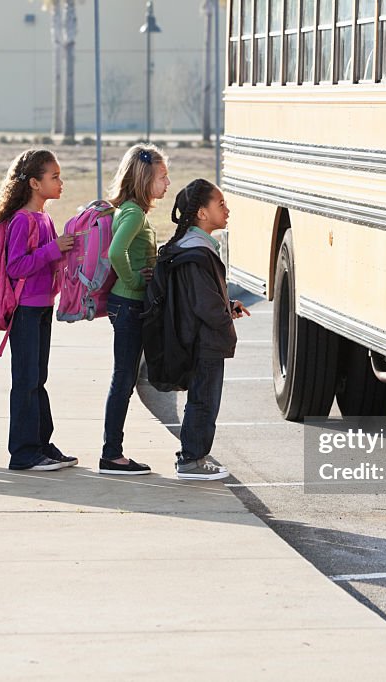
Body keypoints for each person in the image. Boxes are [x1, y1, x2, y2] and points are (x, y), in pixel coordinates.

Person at [0, 149, 77, 471]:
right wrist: (54, 248)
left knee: (38, 378)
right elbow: (16, 266)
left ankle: (41, 444)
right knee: (25, 380)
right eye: (54, 177)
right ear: (35, 183)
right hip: (24, 310)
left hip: (42, 308)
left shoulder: (45, 218)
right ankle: (23, 453)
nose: (60, 182)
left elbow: (50, 261)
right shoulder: (23, 220)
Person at [164, 179, 250, 481]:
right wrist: (225, 315)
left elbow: (204, 296)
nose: (227, 209)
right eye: (221, 204)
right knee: (204, 401)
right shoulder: (197, 252)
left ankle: (192, 456)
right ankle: (192, 459)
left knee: (201, 400)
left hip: (198, 339)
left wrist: (228, 304)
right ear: (202, 212)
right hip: (205, 342)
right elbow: (205, 304)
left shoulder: (190, 247)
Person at [99, 144, 170, 476]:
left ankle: (113, 451)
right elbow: (117, 252)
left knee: (124, 378)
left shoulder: (133, 211)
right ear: (145, 178)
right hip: (127, 303)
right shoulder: (132, 213)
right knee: (123, 378)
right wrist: (135, 282)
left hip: (127, 303)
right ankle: (111, 454)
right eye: (162, 176)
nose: (167, 183)